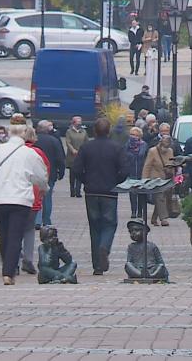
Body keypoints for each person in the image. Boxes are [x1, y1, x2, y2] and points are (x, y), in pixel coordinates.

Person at [0, 121, 48, 285]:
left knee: (4, 234)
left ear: (9, 134)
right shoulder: (29, 154)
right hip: (20, 199)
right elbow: (40, 175)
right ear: (24, 134)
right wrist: (43, 188)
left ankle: (7, 266)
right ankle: (8, 273)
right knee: (16, 235)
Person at [72, 118, 129, 275]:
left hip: (91, 192)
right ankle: (105, 247)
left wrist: (86, 181)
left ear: (94, 131)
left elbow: (76, 169)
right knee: (109, 223)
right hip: (109, 192)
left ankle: (97, 265)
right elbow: (125, 170)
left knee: (94, 226)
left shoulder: (86, 147)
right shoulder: (117, 148)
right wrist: (115, 182)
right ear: (109, 130)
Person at [21, 124, 50, 275]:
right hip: (33, 195)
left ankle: (14, 257)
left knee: (14, 228)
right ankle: (28, 258)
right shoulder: (37, 153)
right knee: (29, 229)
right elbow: (45, 172)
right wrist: (43, 190)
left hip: (15, 194)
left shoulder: (14, 152)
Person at [35, 120, 65, 227]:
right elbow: (60, 157)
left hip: (34, 173)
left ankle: (37, 220)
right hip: (49, 173)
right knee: (47, 197)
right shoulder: (54, 140)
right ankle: (46, 220)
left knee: (36, 196)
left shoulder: (33, 140)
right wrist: (61, 172)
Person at [142, 135, 175, 227]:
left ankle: (154, 218)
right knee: (160, 197)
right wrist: (145, 179)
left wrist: (173, 178)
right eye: (164, 145)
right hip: (155, 178)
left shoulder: (170, 151)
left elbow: (172, 164)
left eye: (168, 146)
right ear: (160, 143)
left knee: (162, 198)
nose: (166, 148)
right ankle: (163, 219)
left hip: (167, 178)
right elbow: (147, 166)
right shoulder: (152, 151)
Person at [125, 127, 148, 219]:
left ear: (140, 136)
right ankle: (133, 211)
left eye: (135, 135)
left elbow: (143, 155)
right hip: (131, 171)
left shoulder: (144, 145)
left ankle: (140, 211)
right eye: (132, 134)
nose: (133, 137)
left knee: (141, 193)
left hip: (141, 171)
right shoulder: (127, 144)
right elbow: (124, 155)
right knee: (132, 193)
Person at [64, 116, 88, 198]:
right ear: (73, 122)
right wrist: (73, 150)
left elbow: (86, 142)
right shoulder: (69, 132)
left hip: (81, 156)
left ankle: (78, 191)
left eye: (80, 121)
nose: (80, 123)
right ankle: (72, 191)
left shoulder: (84, 132)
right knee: (72, 174)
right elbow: (68, 142)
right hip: (72, 156)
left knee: (80, 173)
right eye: (78, 121)